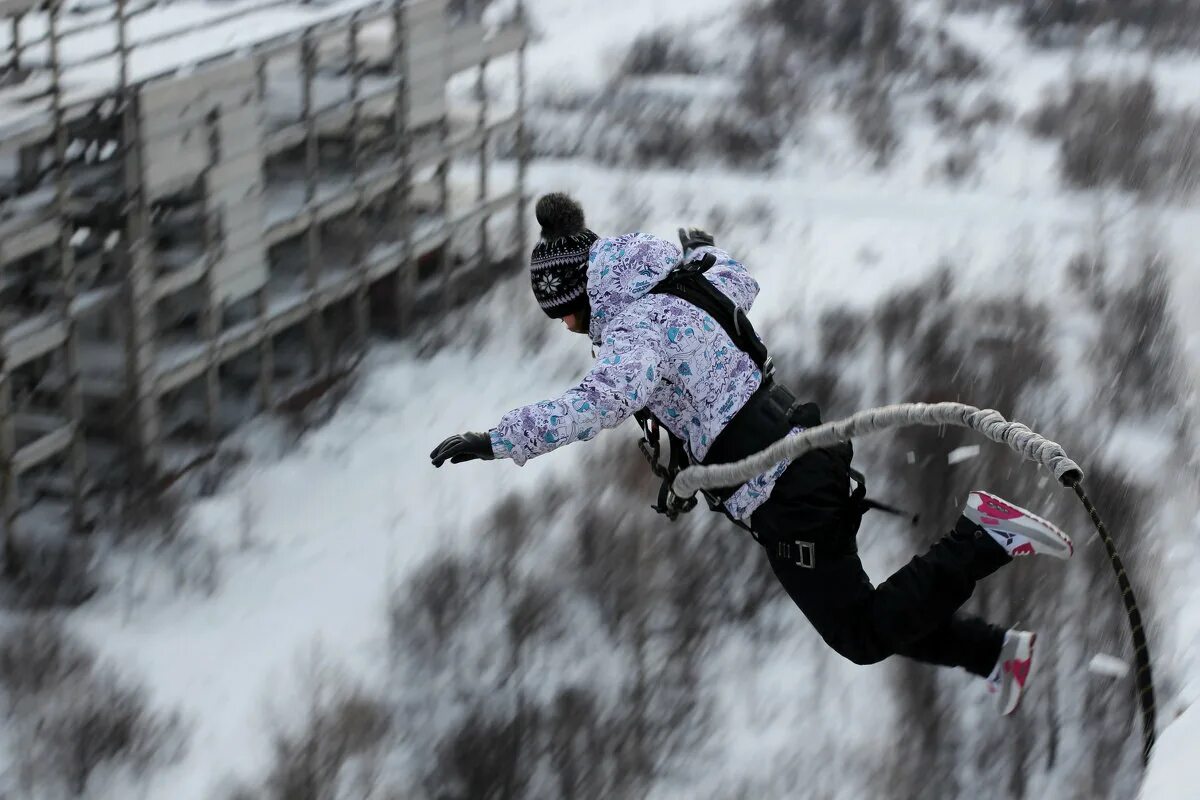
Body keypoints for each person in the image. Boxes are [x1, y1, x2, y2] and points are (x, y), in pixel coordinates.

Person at [430, 193, 1074, 715]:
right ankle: (993, 653)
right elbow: (739, 277)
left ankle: (983, 537)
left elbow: (595, 404)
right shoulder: (677, 280)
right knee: (860, 609)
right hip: (803, 454)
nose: (571, 329)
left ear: (582, 295)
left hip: (781, 491)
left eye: (566, 317)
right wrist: (703, 249)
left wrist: (498, 440)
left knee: (860, 634)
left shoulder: (634, 332)